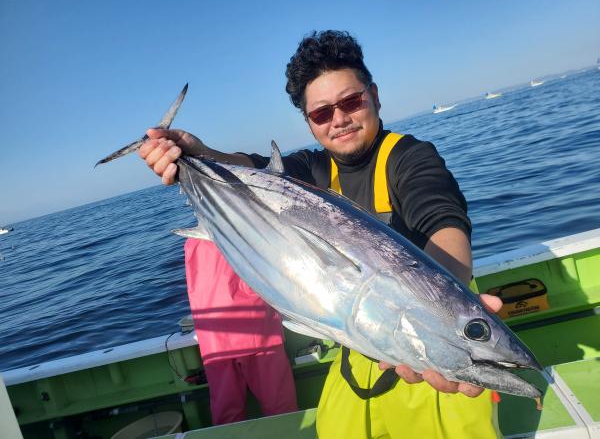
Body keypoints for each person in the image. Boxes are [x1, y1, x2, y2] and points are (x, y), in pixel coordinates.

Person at [139, 30, 503, 438]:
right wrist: (195, 153)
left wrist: (452, 309)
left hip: (434, 357)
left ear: (374, 96)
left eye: (351, 102)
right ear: (309, 123)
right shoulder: (311, 170)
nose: (339, 119)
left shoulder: (411, 158)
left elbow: (441, 219)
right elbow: (252, 172)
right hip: (357, 355)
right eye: (321, 113)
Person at [184, 238, 298, 425]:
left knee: (226, 413)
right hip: (257, 330)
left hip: (214, 340)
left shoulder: (192, 242)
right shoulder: (245, 232)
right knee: (280, 407)